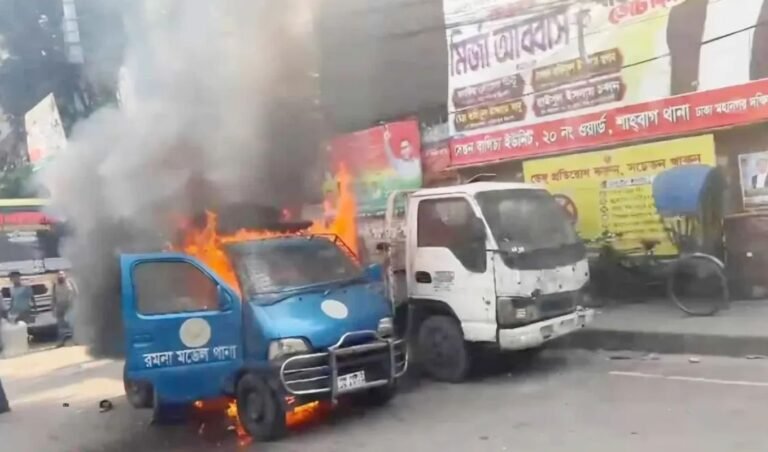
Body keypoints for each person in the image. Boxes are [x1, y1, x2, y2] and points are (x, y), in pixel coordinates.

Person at [52, 271, 75, 347]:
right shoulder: (55, 285)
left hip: (70, 305)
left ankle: (76, 339)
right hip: (60, 306)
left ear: (65, 275)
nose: (60, 276)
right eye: (59, 274)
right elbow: (53, 297)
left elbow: (76, 292)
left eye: (62, 274)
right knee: (61, 325)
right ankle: (61, 342)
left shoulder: (70, 282)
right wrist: (52, 307)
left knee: (72, 323)